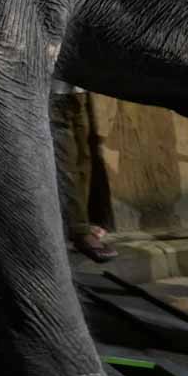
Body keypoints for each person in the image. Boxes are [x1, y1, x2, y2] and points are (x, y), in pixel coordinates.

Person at [51, 82, 117, 262]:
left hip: (78, 90)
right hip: (54, 93)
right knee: (66, 164)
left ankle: (82, 223)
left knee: (84, 160)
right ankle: (78, 230)